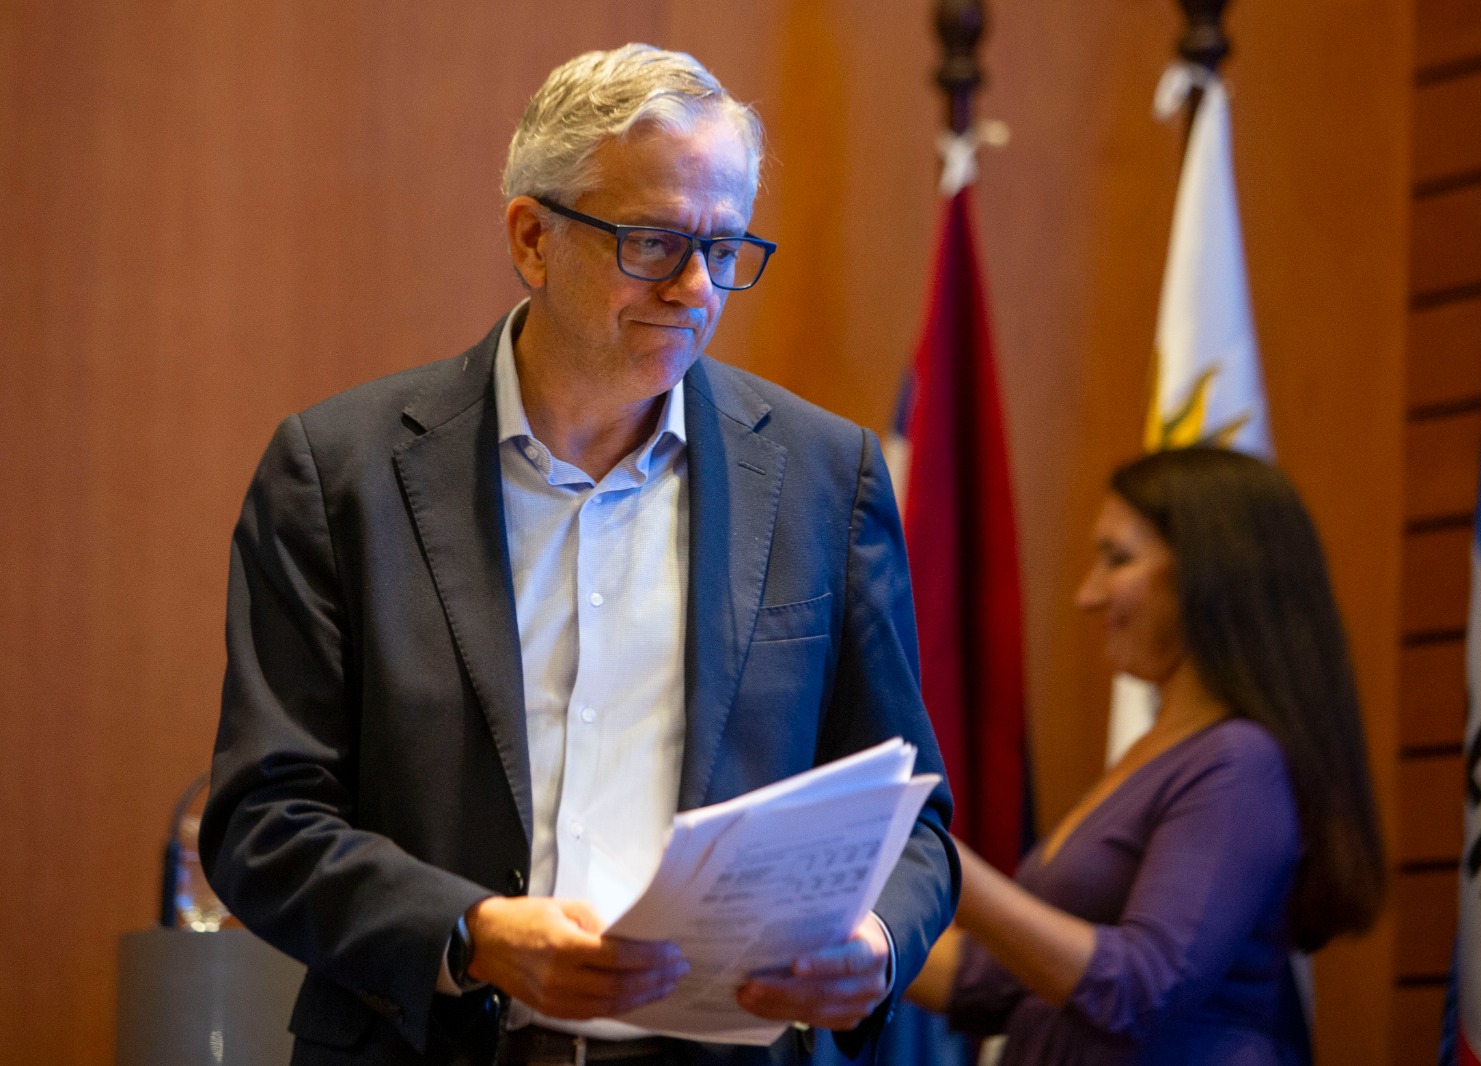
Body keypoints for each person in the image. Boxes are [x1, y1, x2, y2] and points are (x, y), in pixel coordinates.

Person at [199, 44, 956, 1066]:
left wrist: (878, 939)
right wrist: (471, 934)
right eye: (653, 242)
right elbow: (262, 821)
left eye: (724, 248)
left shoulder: (825, 475)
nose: (696, 288)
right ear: (532, 236)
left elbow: (916, 822)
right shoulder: (341, 474)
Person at [907, 447, 1385, 1064]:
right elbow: (984, 984)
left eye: (1117, 559)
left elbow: (1141, 988)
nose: (1087, 595)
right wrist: (814, 924)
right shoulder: (1157, 754)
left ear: (1211, 573)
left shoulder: (1240, 763)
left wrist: (936, 859)